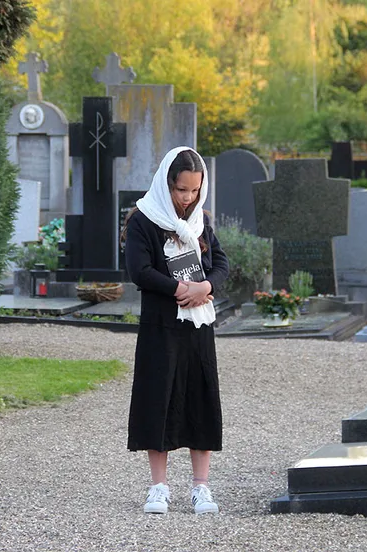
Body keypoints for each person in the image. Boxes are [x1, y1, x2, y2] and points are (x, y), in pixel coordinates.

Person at [121, 146, 229, 514]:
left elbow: (221, 263)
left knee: (200, 398)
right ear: (167, 183)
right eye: (181, 189)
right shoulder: (144, 221)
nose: (188, 198)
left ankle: (201, 486)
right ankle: (159, 487)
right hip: (161, 326)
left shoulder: (200, 221)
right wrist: (179, 289)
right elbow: (140, 271)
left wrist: (206, 287)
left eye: (195, 190)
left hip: (198, 328)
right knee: (159, 400)